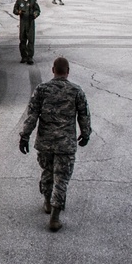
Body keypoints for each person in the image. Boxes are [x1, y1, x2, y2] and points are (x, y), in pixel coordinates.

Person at [19, 57, 92, 232]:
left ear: (53, 70)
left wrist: (24, 136)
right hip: (65, 145)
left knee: (47, 172)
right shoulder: (76, 91)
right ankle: (55, 217)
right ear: (68, 71)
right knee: (61, 178)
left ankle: (47, 202)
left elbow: (32, 115)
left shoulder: (42, 90)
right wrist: (86, 133)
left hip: (45, 143)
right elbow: (84, 115)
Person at [12, 0, 40, 64]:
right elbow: (14, 10)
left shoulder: (33, 1)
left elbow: (38, 10)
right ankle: (23, 56)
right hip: (23, 23)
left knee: (31, 40)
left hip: (30, 23)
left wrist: (35, 14)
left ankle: (30, 57)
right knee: (22, 40)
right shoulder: (19, 1)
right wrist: (18, 12)